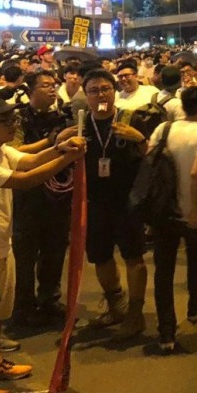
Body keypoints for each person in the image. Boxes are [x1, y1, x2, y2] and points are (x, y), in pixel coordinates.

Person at [0, 98, 85, 393]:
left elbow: (26, 158)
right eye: (6, 122)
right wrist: (67, 158)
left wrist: (58, 148)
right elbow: (25, 179)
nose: (13, 127)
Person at [72, 69, 150, 340]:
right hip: (94, 202)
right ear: (86, 95)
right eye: (93, 90)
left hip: (127, 201)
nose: (100, 94)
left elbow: (154, 156)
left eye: (105, 88)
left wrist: (139, 138)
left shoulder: (133, 118)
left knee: (133, 257)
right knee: (100, 256)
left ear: (115, 91)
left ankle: (136, 312)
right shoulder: (80, 124)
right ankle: (116, 305)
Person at [148, 86, 197, 352]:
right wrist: (193, 210)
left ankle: (166, 334)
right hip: (190, 210)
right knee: (195, 259)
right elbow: (196, 172)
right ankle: (195, 305)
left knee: (163, 270)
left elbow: (150, 160)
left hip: (163, 209)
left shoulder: (162, 130)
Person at [10, 71, 73, 328]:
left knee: (55, 249)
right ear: (30, 90)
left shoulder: (64, 117)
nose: (51, 89)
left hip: (58, 194)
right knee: (24, 253)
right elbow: (13, 151)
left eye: (53, 85)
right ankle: (24, 305)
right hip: (27, 195)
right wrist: (52, 142)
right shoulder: (17, 117)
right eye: (45, 85)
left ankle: (49, 298)